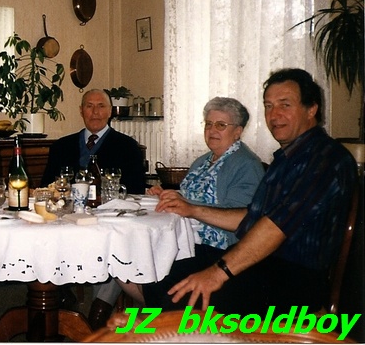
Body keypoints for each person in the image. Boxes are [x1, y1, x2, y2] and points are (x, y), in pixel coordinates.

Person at [141, 68, 357, 315]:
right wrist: (193, 210)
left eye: (285, 105)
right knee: (163, 271)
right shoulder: (288, 158)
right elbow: (252, 217)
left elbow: (274, 227)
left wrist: (218, 272)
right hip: (266, 266)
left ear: (311, 109)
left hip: (294, 282)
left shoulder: (325, 159)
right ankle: (158, 328)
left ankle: (168, 329)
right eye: (268, 106)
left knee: (182, 294)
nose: (274, 115)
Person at [118, 97, 265, 305]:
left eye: (221, 125)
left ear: (238, 131)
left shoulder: (246, 165)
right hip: (185, 239)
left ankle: (164, 314)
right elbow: (191, 198)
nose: (212, 130)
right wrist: (168, 195)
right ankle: (158, 310)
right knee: (129, 255)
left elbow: (241, 218)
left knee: (156, 269)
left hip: (217, 248)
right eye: (209, 124)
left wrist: (189, 207)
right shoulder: (203, 161)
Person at [41, 88, 146, 329]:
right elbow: (47, 186)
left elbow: (136, 189)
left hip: (107, 223)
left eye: (101, 106)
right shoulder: (62, 146)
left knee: (115, 247)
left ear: (110, 112)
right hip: (68, 222)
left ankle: (99, 310)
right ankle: (62, 294)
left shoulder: (127, 146)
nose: (95, 112)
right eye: (89, 106)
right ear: (81, 111)